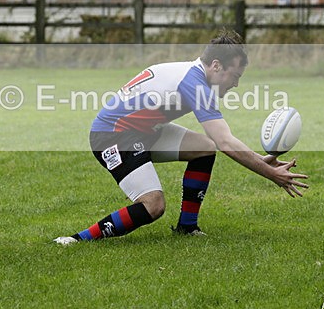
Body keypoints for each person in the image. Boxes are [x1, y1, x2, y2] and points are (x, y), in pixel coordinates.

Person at [54, 31, 308, 245]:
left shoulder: (192, 74)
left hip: (143, 131)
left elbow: (221, 141)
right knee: (153, 205)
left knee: (204, 148)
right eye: (235, 76)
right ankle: (77, 240)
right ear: (216, 66)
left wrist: (260, 160)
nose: (235, 85)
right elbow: (226, 141)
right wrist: (269, 173)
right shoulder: (194, 82)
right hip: (113, 136)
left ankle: (187, 227)